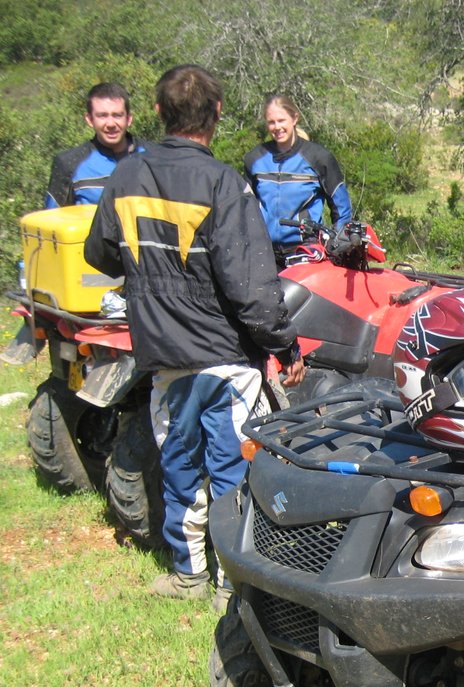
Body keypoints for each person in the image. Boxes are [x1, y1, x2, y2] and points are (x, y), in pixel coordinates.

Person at [84, 65, 305, 605]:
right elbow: (250, 285)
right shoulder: (224, 183)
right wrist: (284, 344)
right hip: (226, 357)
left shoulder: (125, 178)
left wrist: (147, 268)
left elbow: (99, 253)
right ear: (218, 114)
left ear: (157, 113)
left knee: (180, 463)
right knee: (231, 467)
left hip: (164, 357)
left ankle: (188, 575)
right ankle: (232, 583)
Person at [244, 93, 354, 267]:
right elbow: (245, 207)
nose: (277, 127)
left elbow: (342, 208)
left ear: (294, 118)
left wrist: (339, 245)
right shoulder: (255, 159)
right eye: (271, 122)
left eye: (281, 120)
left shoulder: (318, 157)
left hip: (305, 252)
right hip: (264, 252)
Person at [45, 82, 143, 208]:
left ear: (129, 119)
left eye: (117, 115)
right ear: (90, 120)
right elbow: (52, 219)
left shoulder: (154, 157)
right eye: (102, 116)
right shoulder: (69, 163)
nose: (111, 124)